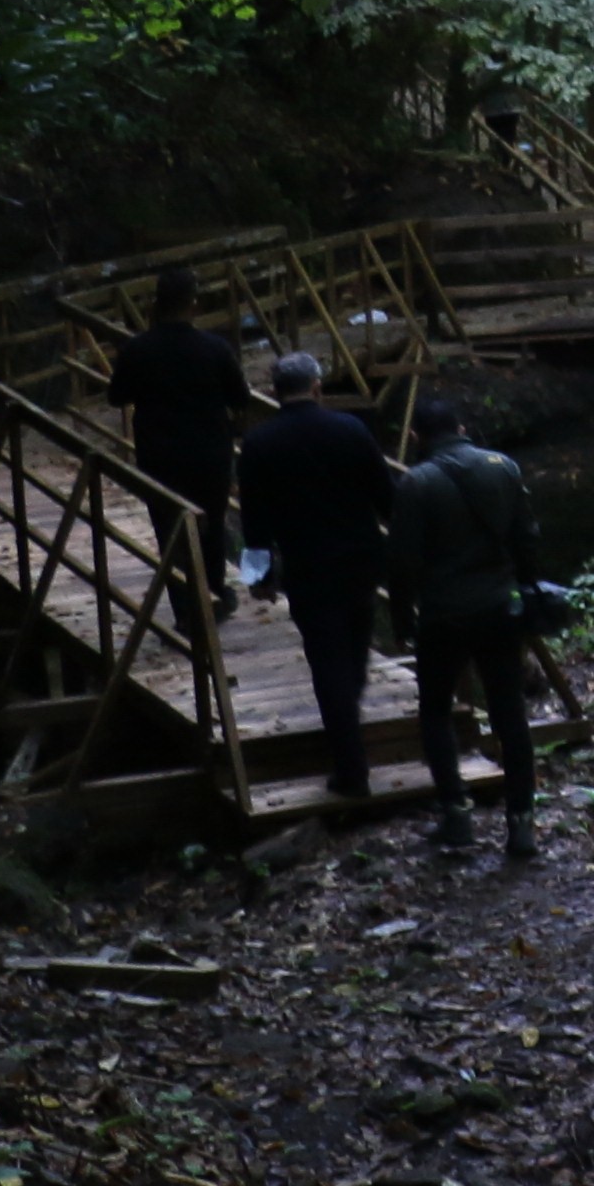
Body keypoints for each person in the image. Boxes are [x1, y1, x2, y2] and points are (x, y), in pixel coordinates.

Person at [231, 353, 394, 804]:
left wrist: (259, 575)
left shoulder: (260, 443)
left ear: (276, 389)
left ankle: (351, 766)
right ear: (318, 387)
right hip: (361, 560)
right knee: (356, 648)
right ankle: (350, 726)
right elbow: (385, 493)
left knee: (327, 662)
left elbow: (255, 519)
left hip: (308, 566)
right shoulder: (350, 430)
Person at [388, 399, 544, 860]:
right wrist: (529, 592)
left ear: (416, 436)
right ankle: (522, 825)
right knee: (509, 713)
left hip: (443, 615)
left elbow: (402, 562)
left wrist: (402, 618)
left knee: (435, 711)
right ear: (461, 427)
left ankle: (456, 815)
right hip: (498, 609)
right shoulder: (503, 467)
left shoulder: (417, 483)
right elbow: (526, 536)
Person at [103, 276, 253, 581]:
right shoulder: (215, 348)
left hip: (159, 453)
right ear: (193, 305)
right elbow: (241, 397)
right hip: (209, 453)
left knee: (168, 528)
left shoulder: (137, 349)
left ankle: (183, 603)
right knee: (210, 524)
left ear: (156, 306)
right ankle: (214, 592)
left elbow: (116, 396)